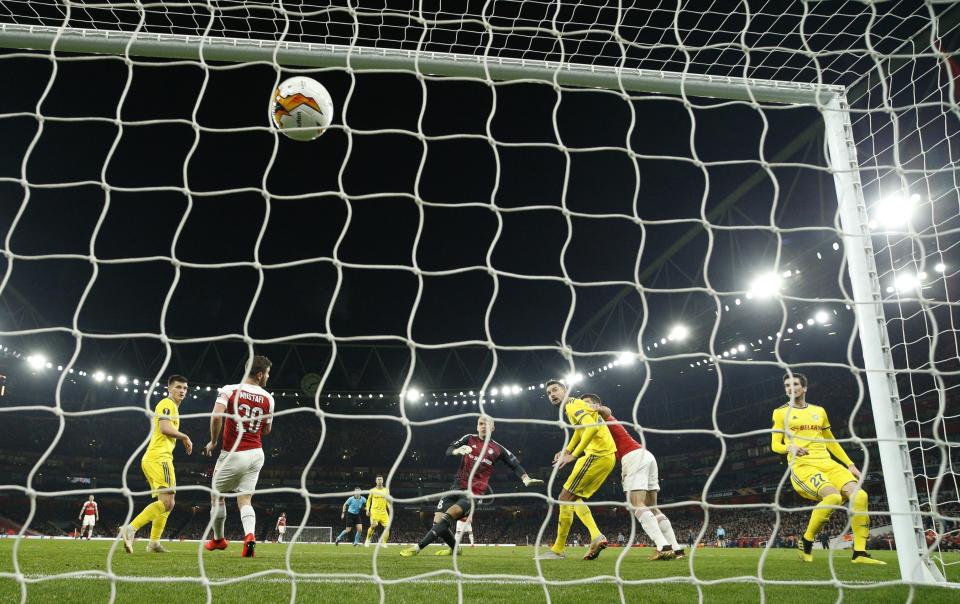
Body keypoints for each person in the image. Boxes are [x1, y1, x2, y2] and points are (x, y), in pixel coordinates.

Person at [772, 372, 885, 565]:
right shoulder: (780, 412)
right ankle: (807, 541)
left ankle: (859, 553)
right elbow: (775, 445)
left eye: (795, 385)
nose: (791, 388)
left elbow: (831, 441)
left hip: (829, 463)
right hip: (803, 466)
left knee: (860, 496)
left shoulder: (819, 411)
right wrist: (789, 447)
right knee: (832, 497)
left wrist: (850, 464)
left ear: (804, 388)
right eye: (787, 386)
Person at [401, 415, 542, 557]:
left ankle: (418, 548)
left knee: (449, 516)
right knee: (437, 522)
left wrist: (526, 478)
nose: (483, 426)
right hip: (455, 488)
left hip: (474, 492)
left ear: (493, 427)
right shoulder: (469, 438)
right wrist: (457, 451)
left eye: (487, 424)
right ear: (477, 426)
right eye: (481, 423)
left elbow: (514, 464)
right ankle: (456, 549)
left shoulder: (498, 449)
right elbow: (449, 449)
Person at [583, 394, 684, 560]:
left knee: (635, 504)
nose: (584, 406)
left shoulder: (600, 417)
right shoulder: (594, 426)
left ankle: (662, 546)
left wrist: (598, 409)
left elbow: (607, 411)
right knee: (653, 507)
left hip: (633, 457)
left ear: (596, 404)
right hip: (645, 456)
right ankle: (676, 548)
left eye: (588, 403)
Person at [202, 355, 275, 558]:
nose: (268, 377)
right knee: (245, 499)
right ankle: (250, 536)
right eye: (267, 373)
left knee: (217, 496)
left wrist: (213, 441)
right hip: (257, 454)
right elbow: (266, 430)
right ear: (260, 375)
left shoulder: (230, 390)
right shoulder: (269, 398)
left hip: (233, 454)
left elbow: (216, 416)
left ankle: (218, 539)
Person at [538, 380, 616, 561]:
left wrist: (574, 455)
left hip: (596, 455)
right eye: (549, 393)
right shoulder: (573, 407)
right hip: (606, 457)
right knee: (574, 498)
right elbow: (579, 432)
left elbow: (592, 427)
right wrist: (567, 450)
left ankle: (558, 550)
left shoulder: (573, 405)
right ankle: (596, 536)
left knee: (564, 498)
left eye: (555, 390)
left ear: (566, 390)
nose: (552, 395)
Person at [120, 375, 193, 554]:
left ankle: (153, 543)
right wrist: (185, 437)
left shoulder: (173, 407)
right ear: (169, 388)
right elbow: (164, 428)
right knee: (168, 502)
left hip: (156, 458)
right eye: (178, 387)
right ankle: (130, 529)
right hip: (160, 458)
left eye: (185, 388)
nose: (182, 391)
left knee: (168, 503)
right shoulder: (166, 404)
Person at [365, 475, 391, 547]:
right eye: (378, 479)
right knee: (374, 526)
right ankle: (367, 540)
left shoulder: (386, 490)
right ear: (376, 481)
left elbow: (387, 501)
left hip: (384, 512)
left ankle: (384, 543)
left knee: (387, 527)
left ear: (383, 481)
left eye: (381, 479)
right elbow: (368, 501)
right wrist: (367, 509)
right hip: (374, 512)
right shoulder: (372, 490)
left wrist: (389, 508)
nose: (379, 481)